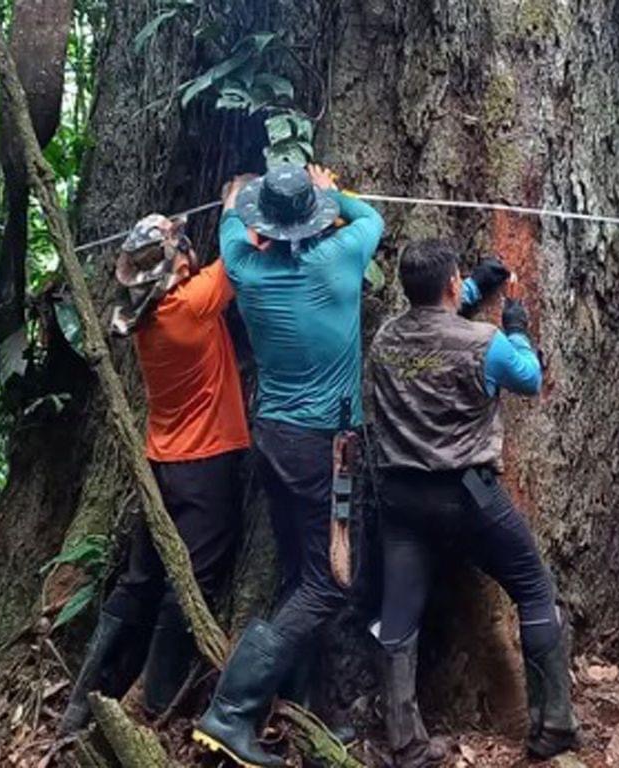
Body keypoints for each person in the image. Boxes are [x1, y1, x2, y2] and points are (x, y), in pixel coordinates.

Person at [191, 164, 385, 767]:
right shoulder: (340, 260)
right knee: (331, 581)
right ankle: (230, 711)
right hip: (324, 447)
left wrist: (237, 198)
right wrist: (330, 190)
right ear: (312, 217)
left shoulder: (244, 268)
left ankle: (303, 703)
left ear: (262, 224)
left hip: (273, 437)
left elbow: (228, 215)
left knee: (303, 571)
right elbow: (370, 217)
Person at [368, 239, 579, 767]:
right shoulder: (487, 343)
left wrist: (473, 287)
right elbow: (529, 379)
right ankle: (554, 724)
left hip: (400, 498)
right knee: (533, 588)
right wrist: (516, 325)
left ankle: (405, 742)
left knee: (399, 614)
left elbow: (432, 332)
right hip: (467, 494)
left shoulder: (385, 339)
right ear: (448, 284)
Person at [59, 214, 249, 734]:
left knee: (140, 578)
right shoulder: (190, 305)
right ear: (179, 266)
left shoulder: (144, 317)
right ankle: (155, 697)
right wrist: (235, 205)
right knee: (193, 579)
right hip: (204, 465)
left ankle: (83, 701)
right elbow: (240, 254)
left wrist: (159, 234)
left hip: (161, 464)